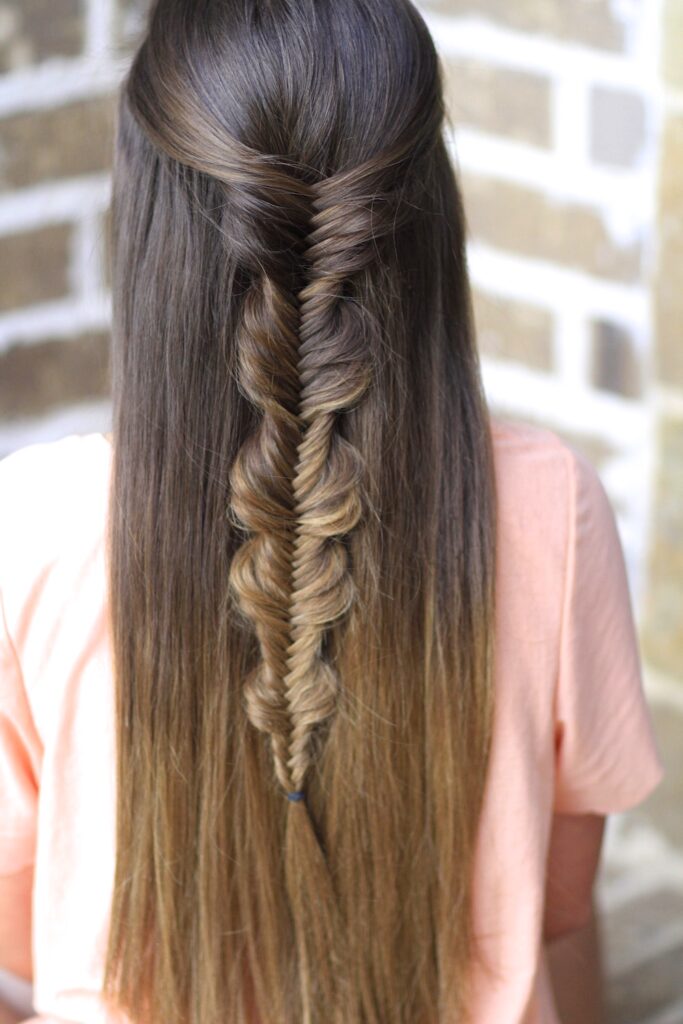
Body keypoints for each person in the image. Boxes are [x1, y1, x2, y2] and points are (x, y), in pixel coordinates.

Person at [0, 1, 664, 1022]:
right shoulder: (549, 511)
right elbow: (558, 903)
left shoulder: (35, 527)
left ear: (147, 227)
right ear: (424, 215)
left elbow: (19, 921)